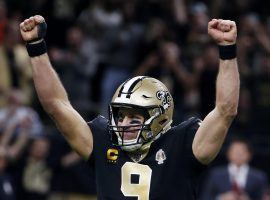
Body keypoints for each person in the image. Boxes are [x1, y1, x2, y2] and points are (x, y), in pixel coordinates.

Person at [19, 15, 239, 199]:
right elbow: (55, 105)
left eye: (134, 118)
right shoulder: (103, 141)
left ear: (160, 119)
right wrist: (36, 48)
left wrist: (227, 50)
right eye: (120, 117)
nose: (123, 124)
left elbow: (225, 111)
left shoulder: (182, 144)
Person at [200, 138, 268, 200]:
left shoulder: (259, 176)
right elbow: (205, 197)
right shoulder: (215, 174)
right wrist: (221, 198)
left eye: (242, 152)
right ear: (228, 154)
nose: (238, 154)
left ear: (249, 155)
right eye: (235, 151)